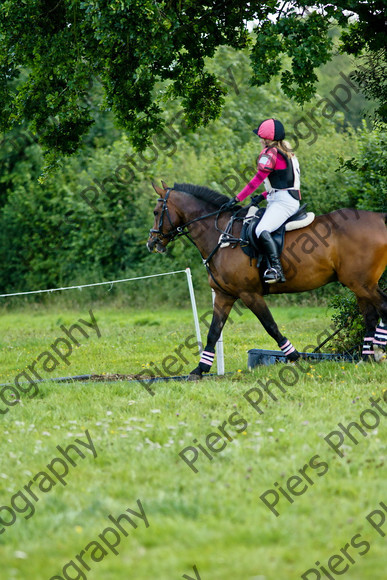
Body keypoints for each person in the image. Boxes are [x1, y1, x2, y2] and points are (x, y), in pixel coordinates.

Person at [225, 118, 301, 284]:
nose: (259, 140)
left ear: (266, 139)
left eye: (260, 137)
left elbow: (256, 181)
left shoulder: (270, 154)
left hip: (283, 202)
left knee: (261, 229)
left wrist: (236, 199)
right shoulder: (286, 152)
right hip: (283, 198)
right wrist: (262, 196)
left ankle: (276, 269)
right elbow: (282, 183)